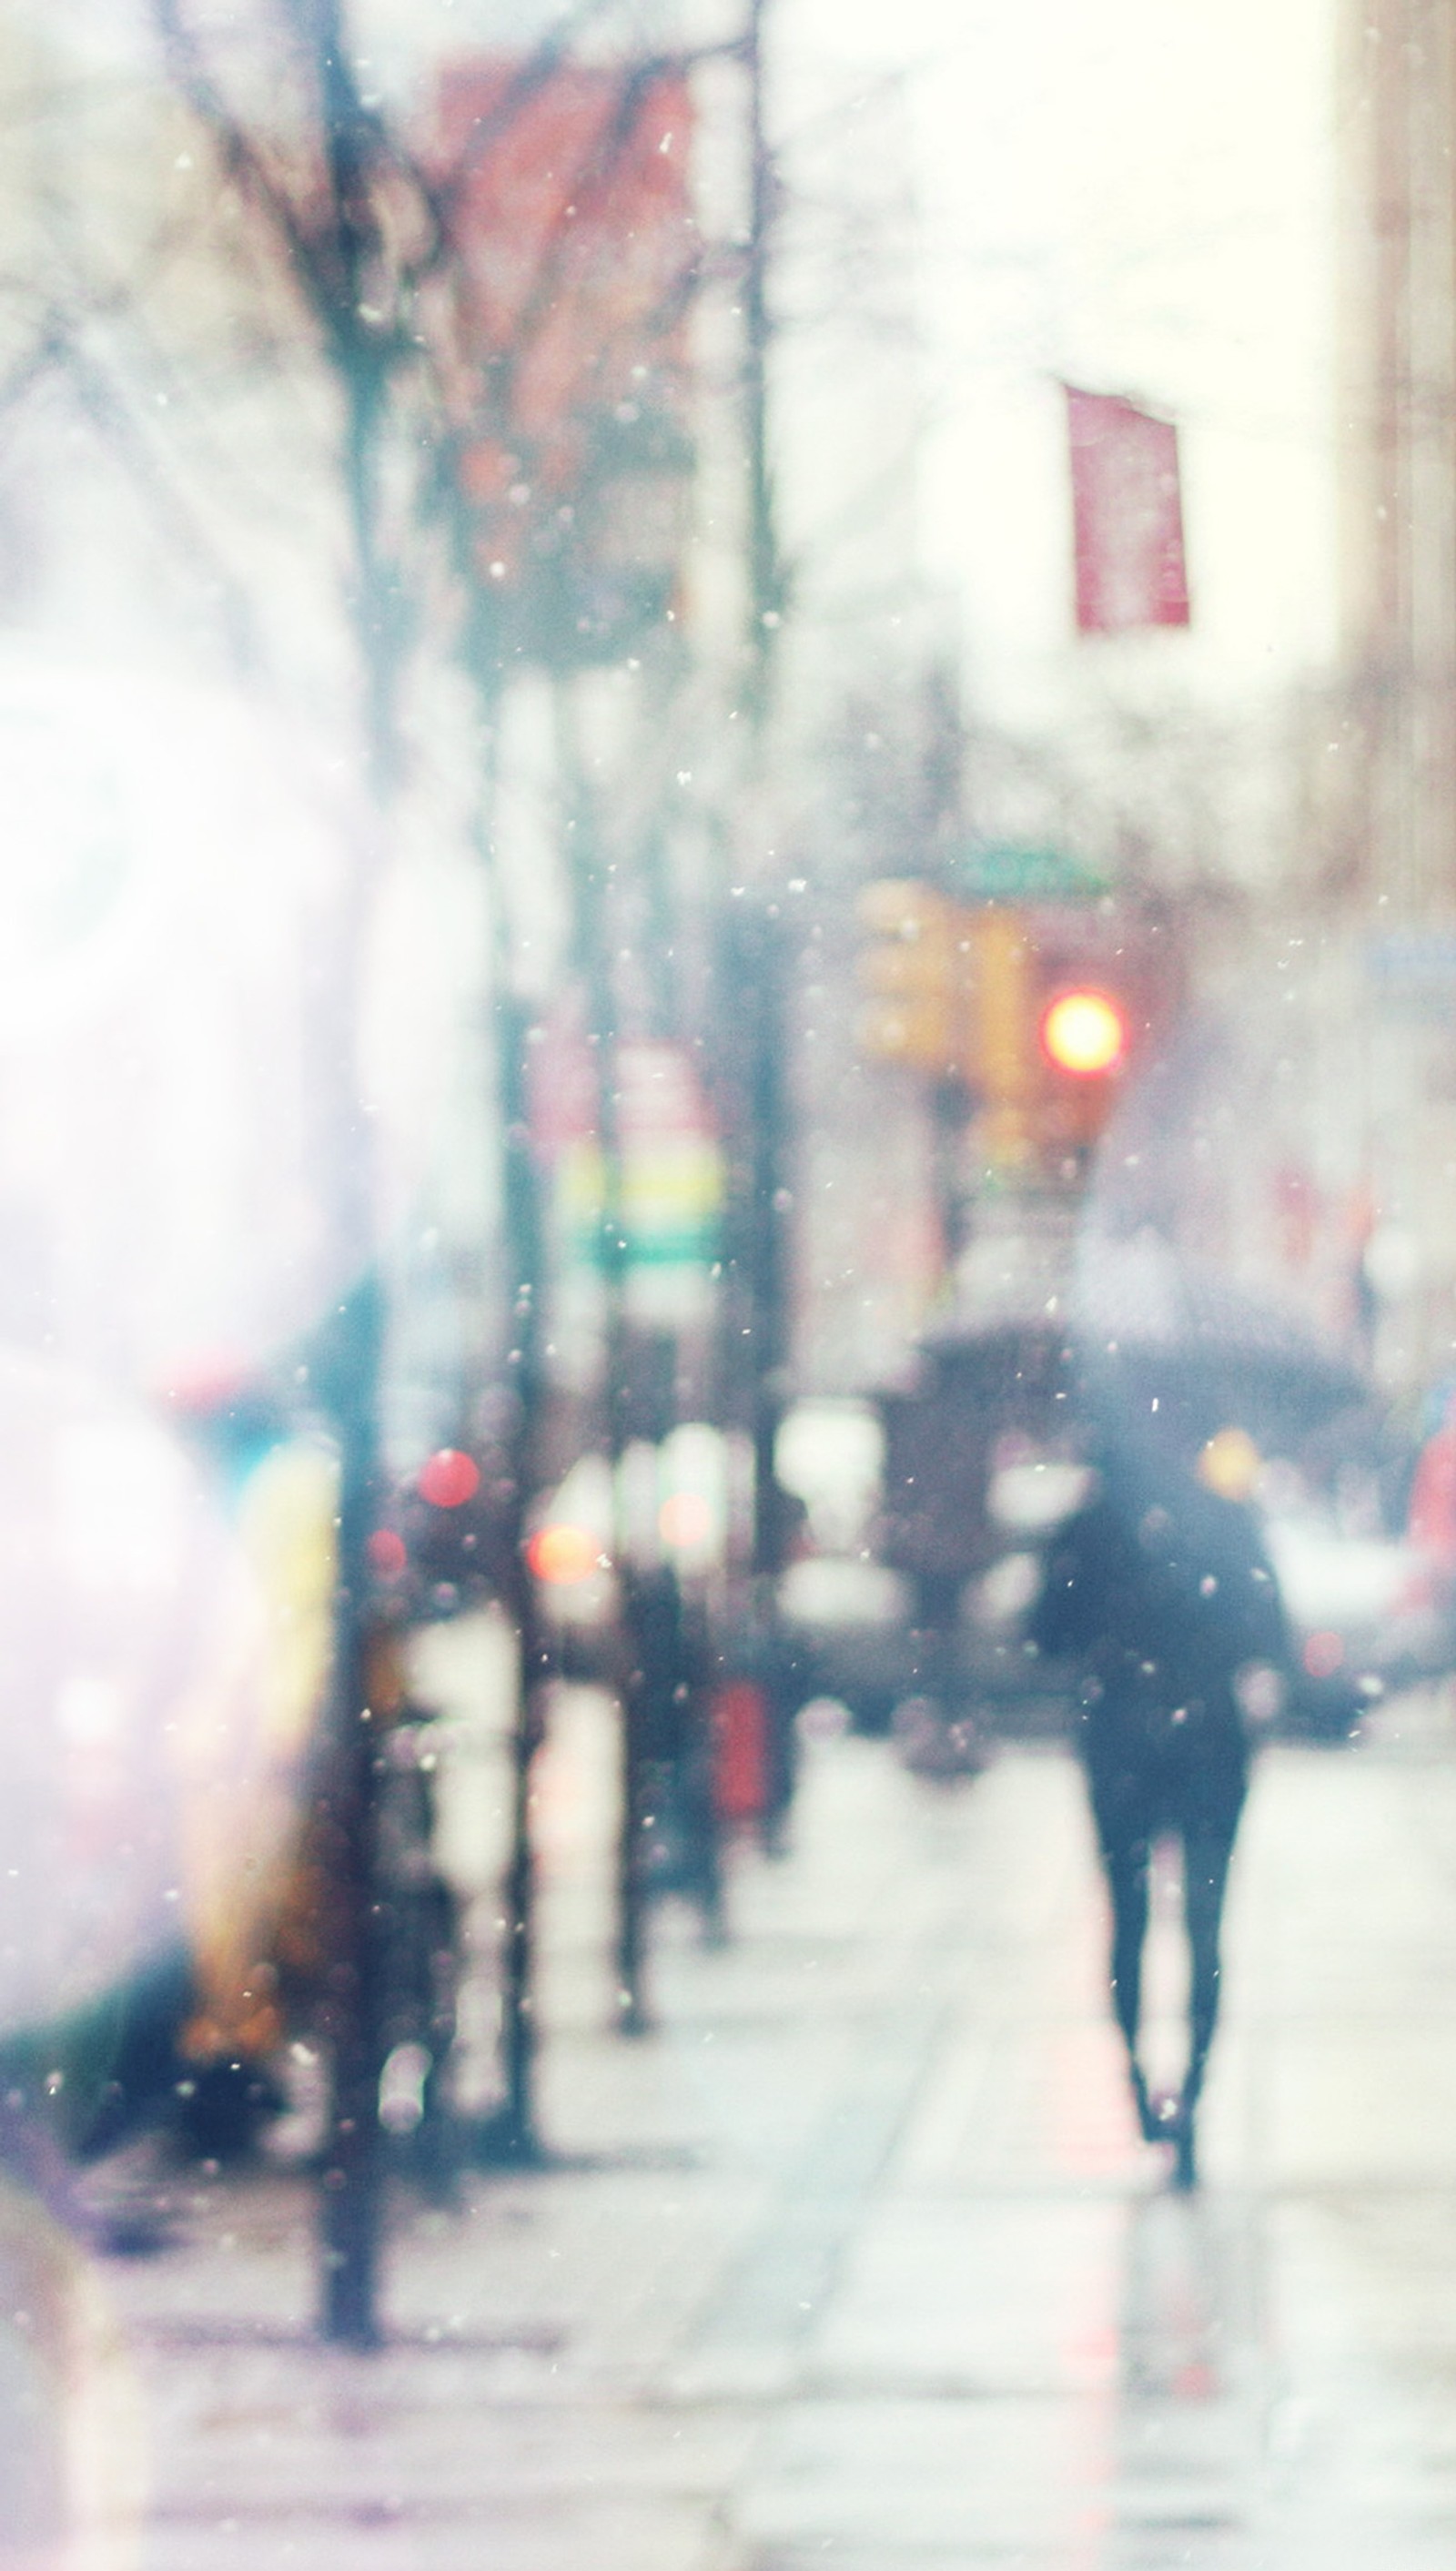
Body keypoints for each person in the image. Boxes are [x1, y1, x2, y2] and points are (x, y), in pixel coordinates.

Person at [1027, 1419, 1288, 2188]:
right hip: (1208, 1740)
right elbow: (1269, 1629)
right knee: (1205, 1926)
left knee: (1130, 1919)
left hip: (1120, 1743)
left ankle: (1140, 2086)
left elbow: (1043, 1634)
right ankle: (1193, 2101)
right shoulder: (1224, 1519)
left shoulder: (1092, 1521)